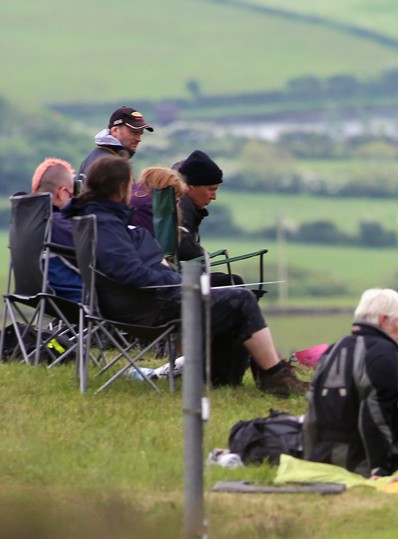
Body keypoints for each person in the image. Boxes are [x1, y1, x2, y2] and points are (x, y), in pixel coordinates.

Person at [64, 156, 306, 396]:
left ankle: (225, 379)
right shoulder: (106, 224)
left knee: (228, 296)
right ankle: (275, 375)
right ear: (119, 189)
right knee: (240, 299)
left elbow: (128, 266)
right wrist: (179, 282)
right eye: (129, 185)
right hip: (148, 309)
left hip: (133, 305)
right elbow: (131, 273)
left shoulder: (93, 218)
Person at [303, 289, 398, 478]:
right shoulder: (383, 353)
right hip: (362, 461)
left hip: (322, 456)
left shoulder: (333, 349)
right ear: (383, 320)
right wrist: (380, 468)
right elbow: (375, 416)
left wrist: (308, 460)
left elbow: (312, 413)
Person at [29, 158, 81, 302]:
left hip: (28, 291)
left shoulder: (23, 220)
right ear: (61, 193)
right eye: (71, 195)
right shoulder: (56, 223)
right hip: (70, 297)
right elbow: (95, 257)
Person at [77, 106, 153, 189]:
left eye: (140, 134)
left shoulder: (97, 156)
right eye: (133, 132)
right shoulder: (110, 165)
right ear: (115, 131)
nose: (139, 139)